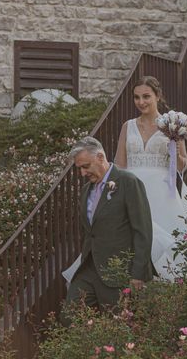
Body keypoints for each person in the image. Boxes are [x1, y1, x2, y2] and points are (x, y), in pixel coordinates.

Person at [114, 75, 187, 280]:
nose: (141, 102)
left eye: (146, 96)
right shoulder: (127, 126)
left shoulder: (171, 125)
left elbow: (183, 164)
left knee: (169, 240)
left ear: (157, 96)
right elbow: (119, 164)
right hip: (133, 191)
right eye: (136, 98)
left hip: (163, 193)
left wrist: (174, 149)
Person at [61, 136, 154, 324]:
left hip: (117, 271)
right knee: (69, 316)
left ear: (101, 157)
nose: (82, 173)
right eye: (79, 168)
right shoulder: (86, 189)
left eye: (86, 166)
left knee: (118, 324)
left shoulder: (128, 182)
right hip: (89, 268)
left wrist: (137, 274)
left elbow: (142, 230)